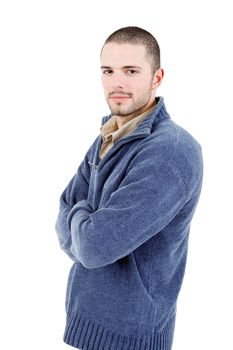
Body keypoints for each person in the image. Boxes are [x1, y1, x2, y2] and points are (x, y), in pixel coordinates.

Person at [55, 26, 203, 350]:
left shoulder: (171, 152)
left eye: (131, 71)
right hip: (86, 325)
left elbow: (93, 246)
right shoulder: (108, 134)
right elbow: (62, 215)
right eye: (108, 71)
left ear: (157, 77)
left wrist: (81, 216)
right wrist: (84, 220)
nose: (116, 83)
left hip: (131, 338)